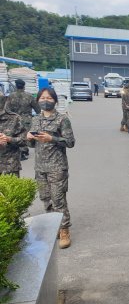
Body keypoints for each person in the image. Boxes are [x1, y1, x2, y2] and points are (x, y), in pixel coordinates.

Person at [27, 88, 75, 249]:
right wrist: (29, 138)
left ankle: (64, 230)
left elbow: (70, 142)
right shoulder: (35, 120)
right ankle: (52, 226)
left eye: (48, 97)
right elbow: (32, 144)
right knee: (46, 199)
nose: (45, 100)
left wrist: (52, 138)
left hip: (57, 166)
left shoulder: (62, 119)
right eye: (42, 97)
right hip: (40, 167)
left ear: (54, 100)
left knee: (58, 199)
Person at [7, 78, 40, 160]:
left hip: (14, 119)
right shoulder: (29, 96)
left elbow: (6, 109)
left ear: (16, 86)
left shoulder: (10, 96)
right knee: (25, 135)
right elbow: (38, 110)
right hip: (26, 119)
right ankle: (24, 151)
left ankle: (18, 151)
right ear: (24, 86)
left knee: (15, 134)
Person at [0, 83, 27, 176]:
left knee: (12, 190)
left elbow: (25, 140)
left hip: (10, 167)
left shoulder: (14, 118)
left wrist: (9, 139)